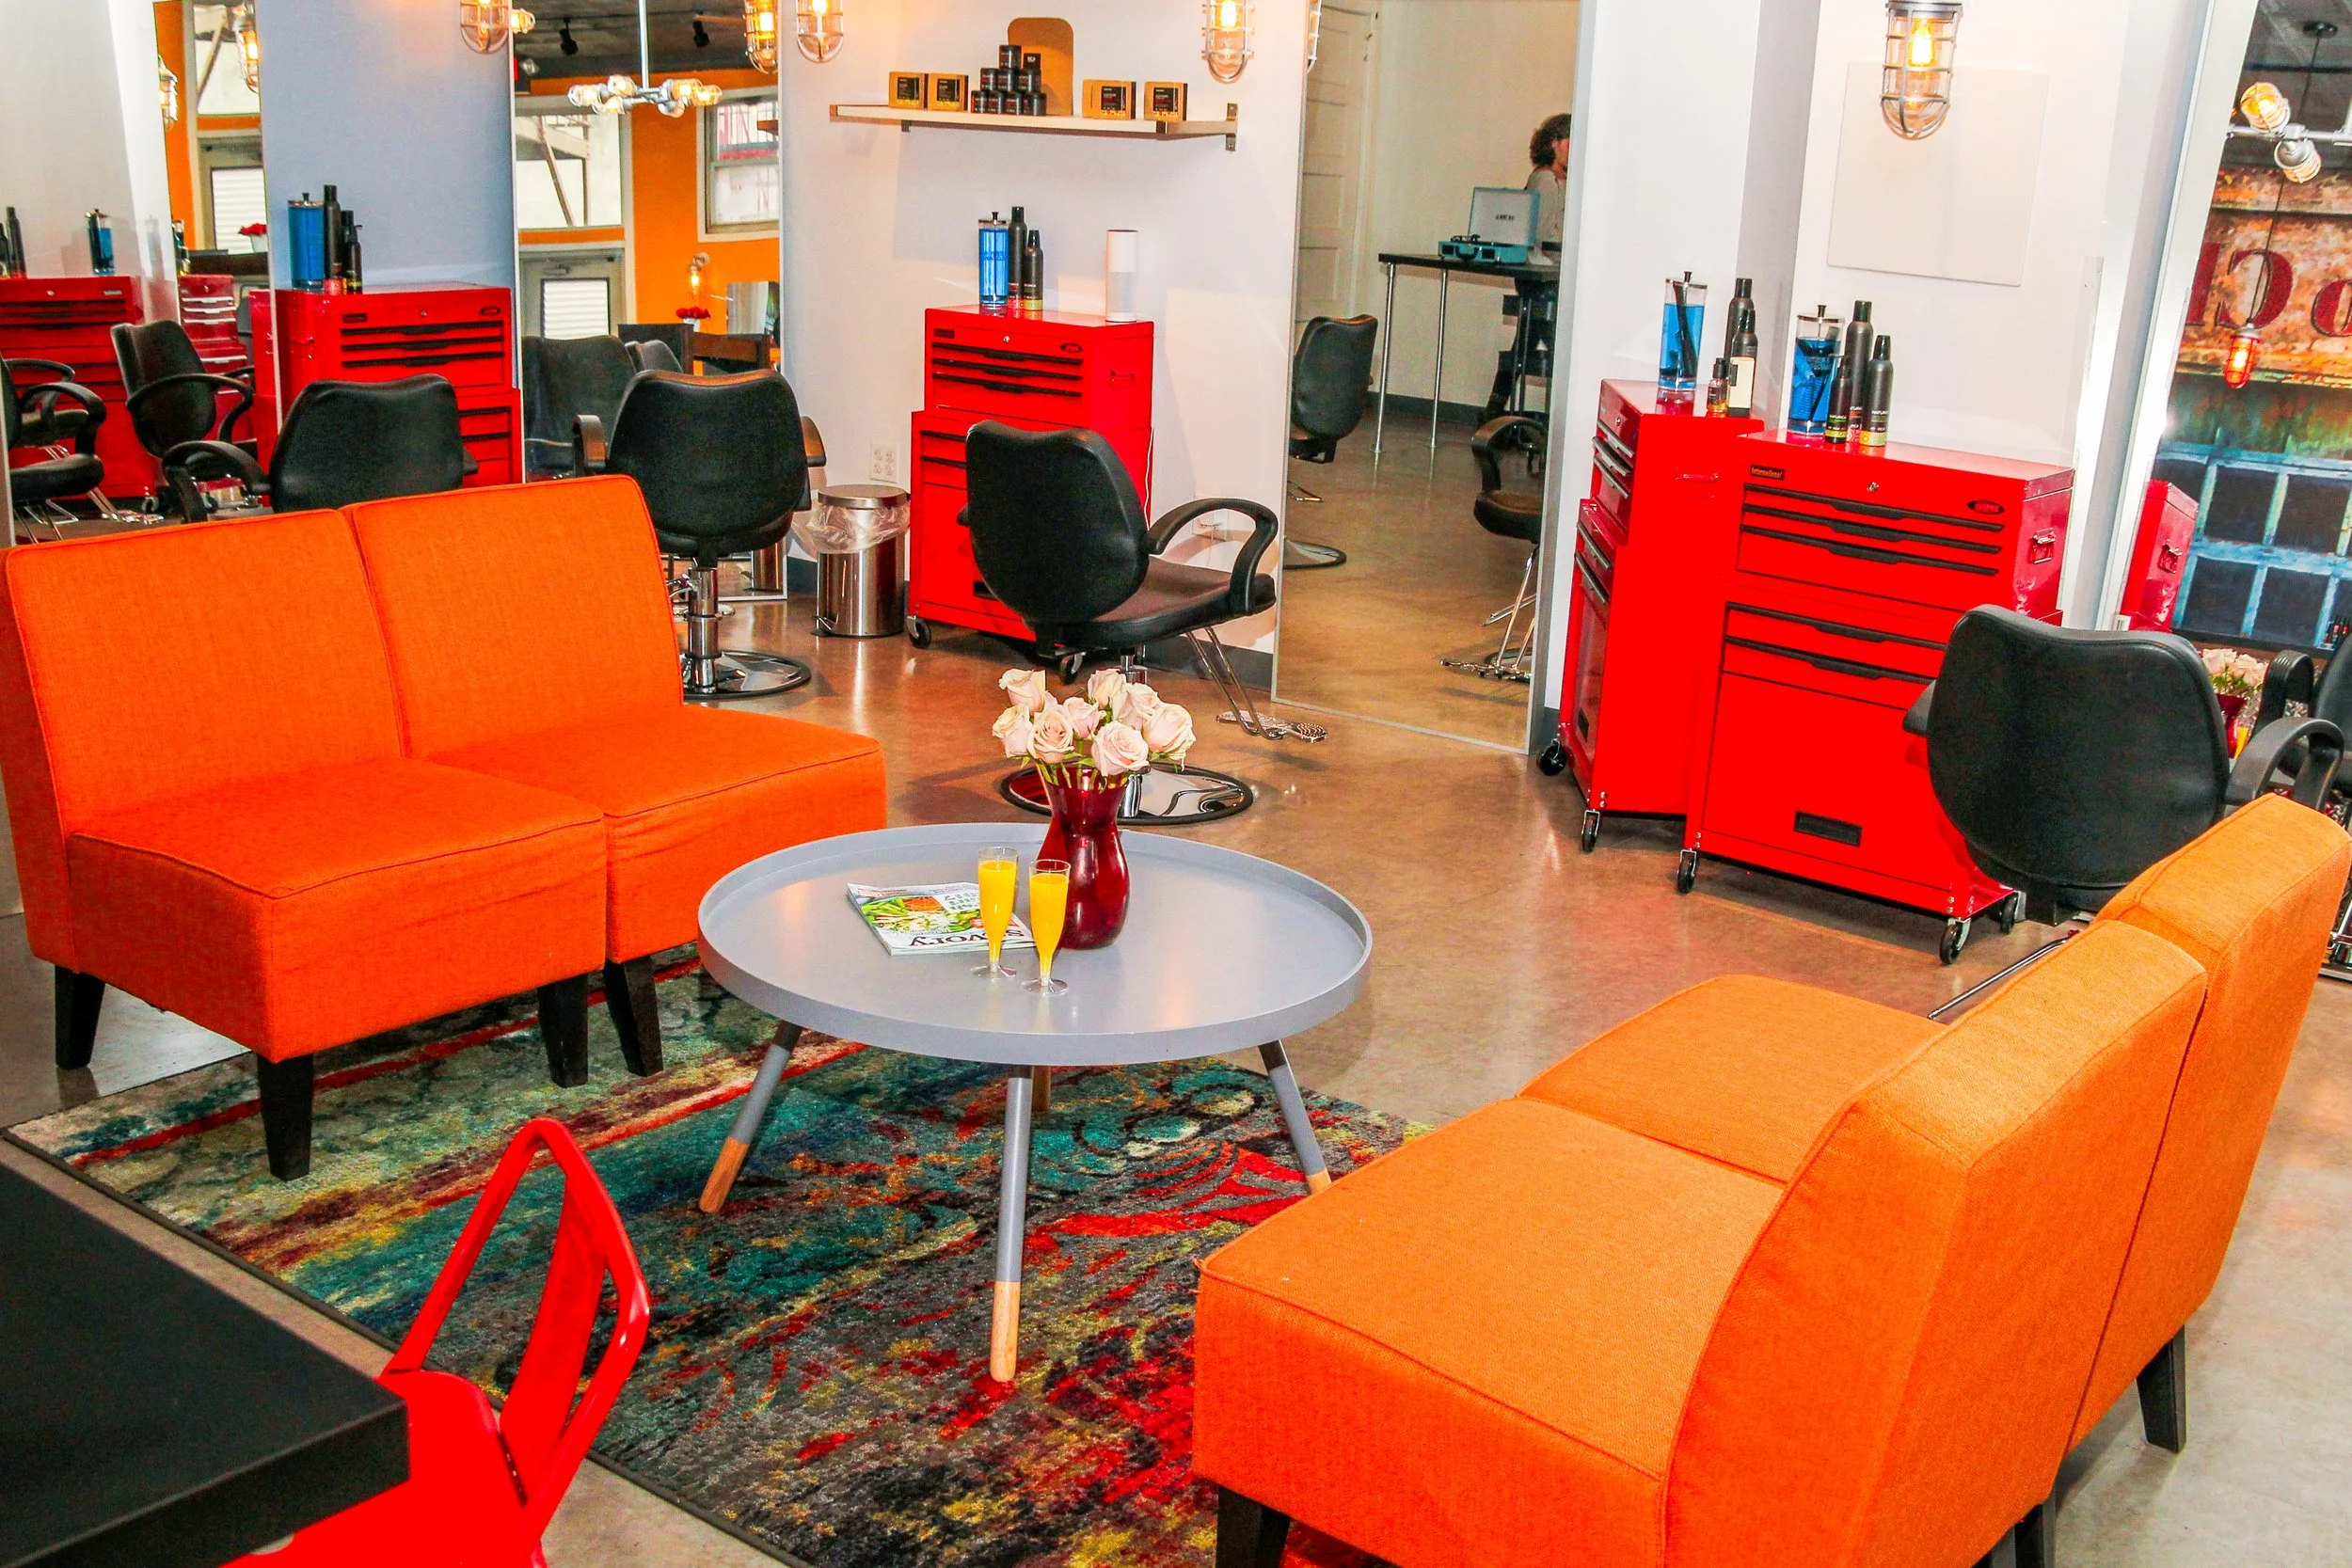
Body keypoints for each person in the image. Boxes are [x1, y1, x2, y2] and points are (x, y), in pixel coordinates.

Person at [1486, 113, 1570, 421]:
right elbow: (1540, 233)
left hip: (1544, 274)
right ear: (1555, 143)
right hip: (1542, 276)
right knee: (1540, 345)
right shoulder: (1547, 180)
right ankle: (1497, 415)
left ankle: (1493, 413)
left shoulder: (1553, 178)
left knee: (1523, 345)